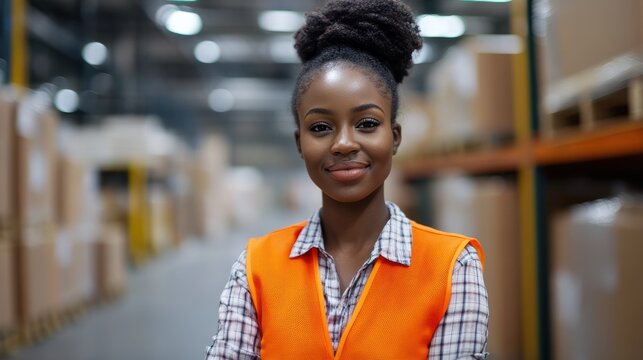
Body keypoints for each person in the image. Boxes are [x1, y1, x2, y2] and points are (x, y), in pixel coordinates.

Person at [206, 0, 488, 358]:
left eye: (367, 124)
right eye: (320, 127)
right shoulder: (256, 266)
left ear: (395, 136)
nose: (342, 143)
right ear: (300, 143)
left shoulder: (453, 267)